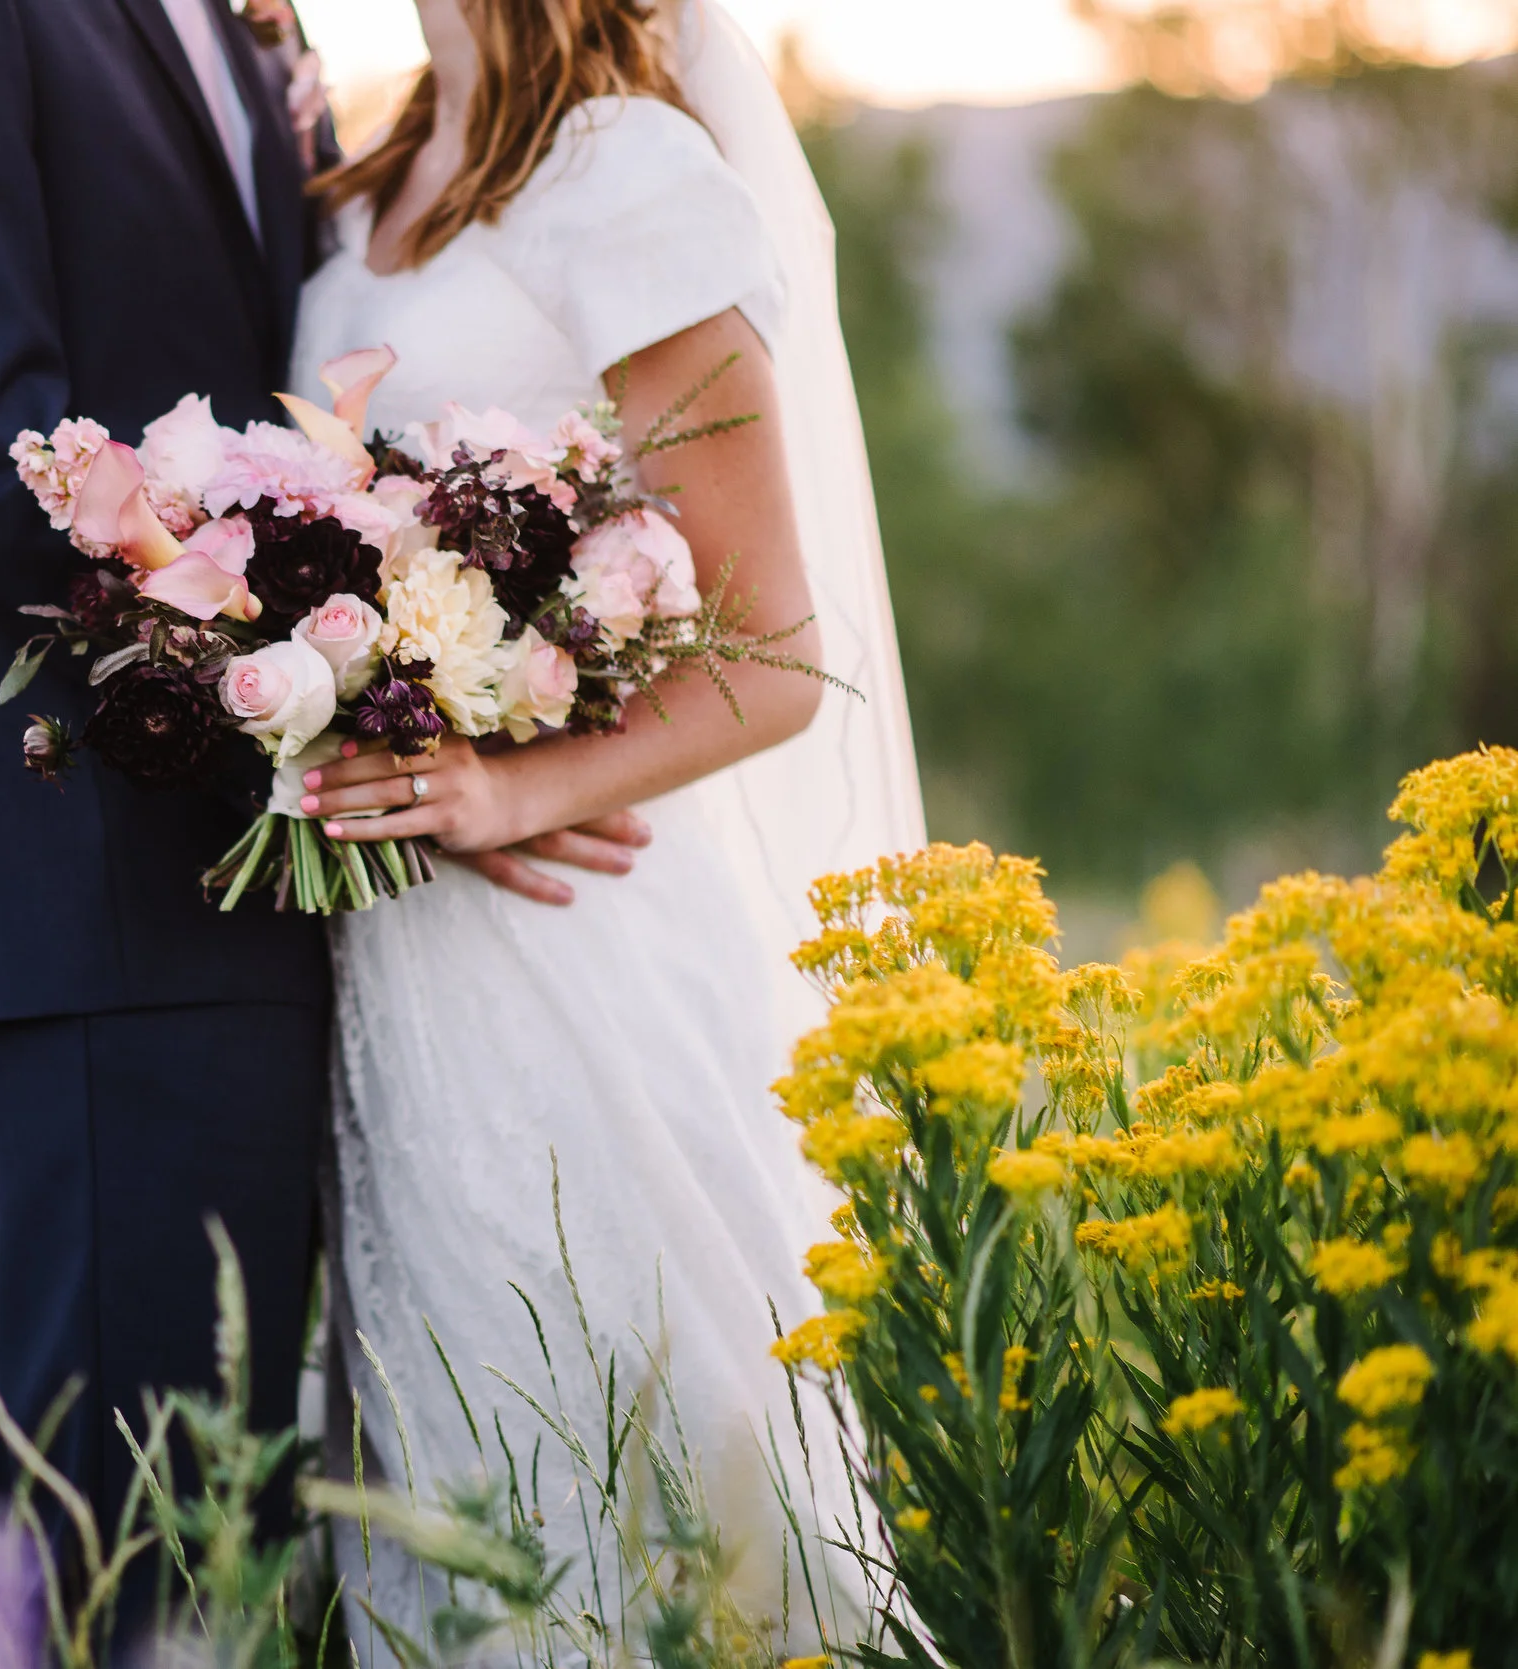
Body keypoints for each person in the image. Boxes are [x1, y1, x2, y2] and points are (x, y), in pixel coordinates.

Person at [0, 0, 653, 1634]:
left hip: (310, 901)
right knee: (137, 1552)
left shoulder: (246, 21)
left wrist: (462, 730)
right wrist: (349, 710)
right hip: (95, 884)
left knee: (264, 1544)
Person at [285, 0, 928, 1651]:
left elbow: (775, 652)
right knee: (446, 1449)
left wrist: (510, 787)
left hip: (585, 927)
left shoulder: (626, 171)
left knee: (647, 1453)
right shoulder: (373, 176)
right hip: (397, 948)